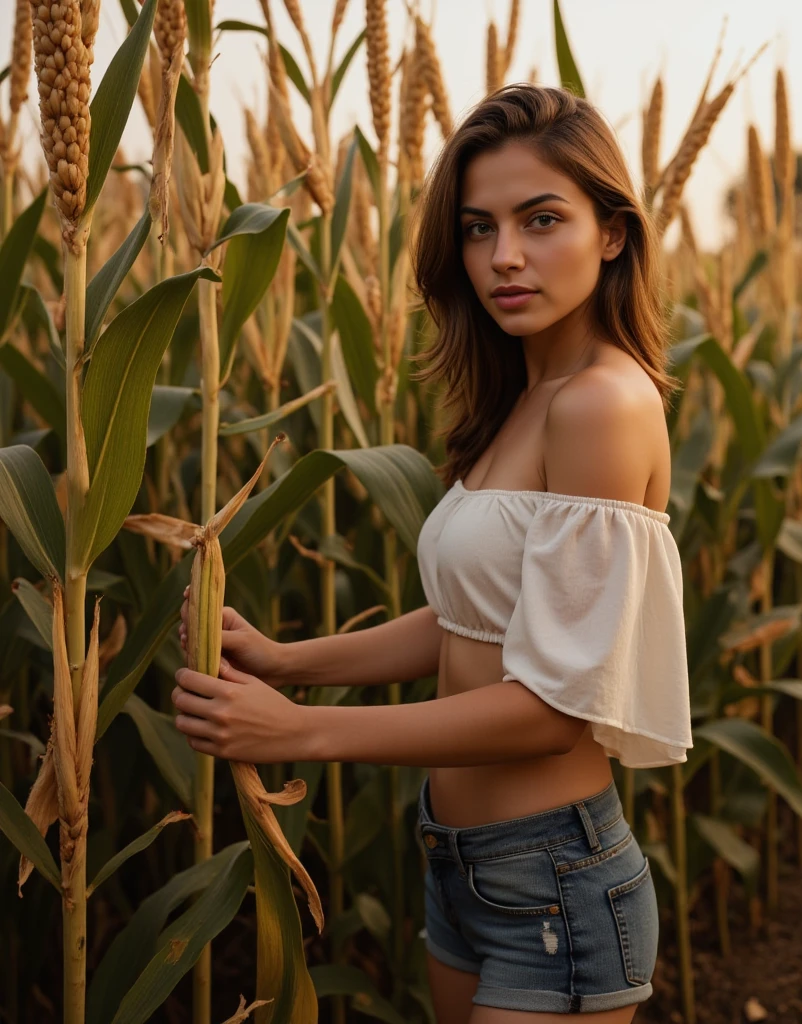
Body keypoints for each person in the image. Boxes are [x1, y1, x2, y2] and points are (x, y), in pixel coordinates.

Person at [172, 83, 692, 1022]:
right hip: (462, 863)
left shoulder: (602, 404)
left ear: (613, 232)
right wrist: (291, 663)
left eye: (542, 220)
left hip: (552, 878)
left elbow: (552, 710)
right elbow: (471, 623)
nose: (506, 257)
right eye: (478, 228)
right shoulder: (525, 398)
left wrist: (303, 732)